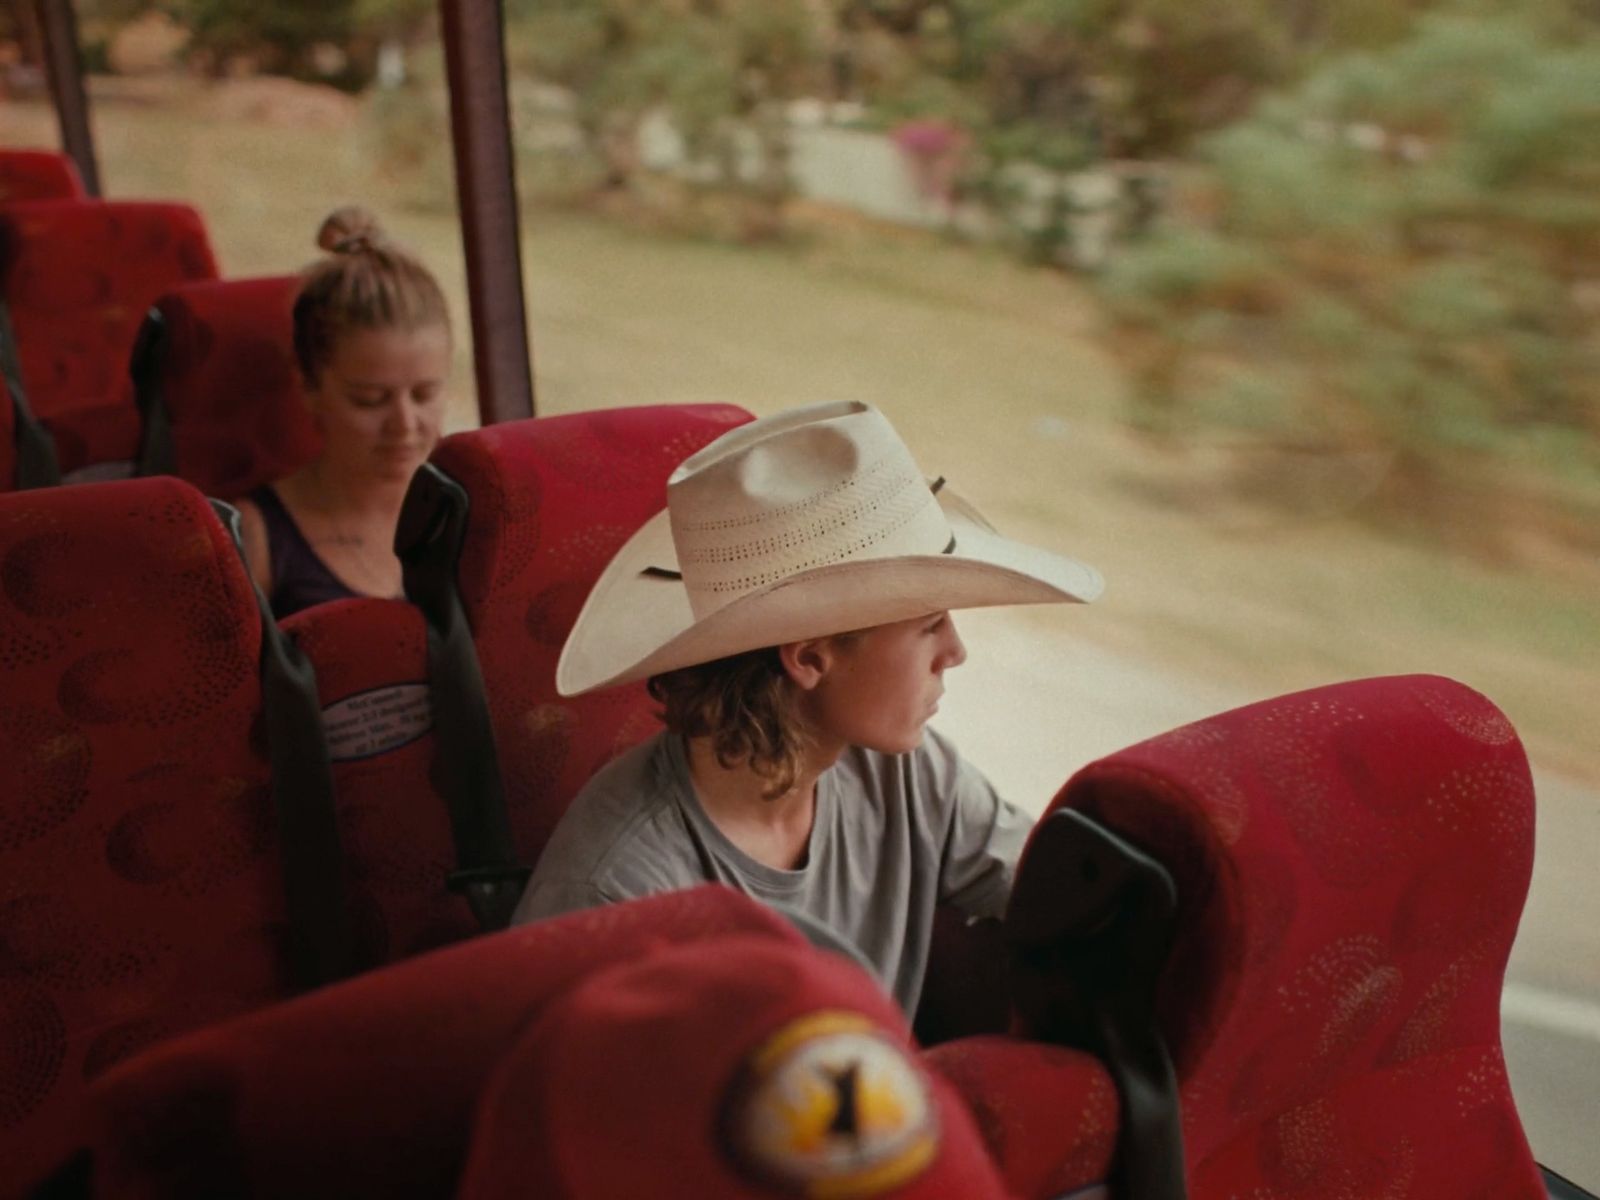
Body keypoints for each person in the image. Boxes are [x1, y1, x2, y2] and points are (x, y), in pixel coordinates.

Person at [513, 400, 1104, 1014]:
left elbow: (1047, 889)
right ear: (811, 659)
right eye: (931, 624)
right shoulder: (619, 891)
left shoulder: (907, 774)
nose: (956, 651)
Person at [236, 206, 451, 617]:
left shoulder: (476, 517)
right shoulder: (257, 539)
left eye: (424, 395)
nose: (404, 425)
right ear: (310, 388)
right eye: (369, 399)